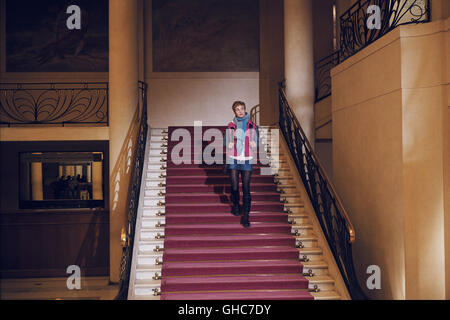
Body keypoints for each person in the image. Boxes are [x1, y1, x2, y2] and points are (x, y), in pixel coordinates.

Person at [225, 101, 258, 228]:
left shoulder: (251, 125)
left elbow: (257, 141)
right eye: (237, 109)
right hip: (233, 157)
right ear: (234, 112)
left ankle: (246, 216)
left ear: (245, 110)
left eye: (242, 109)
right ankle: (236, 205)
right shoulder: (231, 125)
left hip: (246, 158)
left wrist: (255, 144)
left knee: (246, 188)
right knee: (234, 186)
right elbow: (226, 140)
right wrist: (228, 143)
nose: (240, 111)